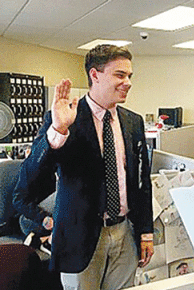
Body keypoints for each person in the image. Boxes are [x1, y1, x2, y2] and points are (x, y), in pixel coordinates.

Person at [13, 44, 154, 289]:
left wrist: (146, 232)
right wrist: (57, 131)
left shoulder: (133, 122)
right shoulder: (67, 118)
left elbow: (142, 182)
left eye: (129, 76)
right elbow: (29, 181)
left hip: (124, 233)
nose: (128, 82)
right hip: (81, 238)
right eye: (120, 75)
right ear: (95, 75)